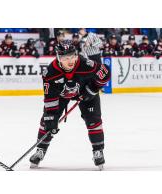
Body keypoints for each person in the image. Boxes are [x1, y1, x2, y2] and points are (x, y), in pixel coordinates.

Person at [29, 40, 110, 170]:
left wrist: (93, 89)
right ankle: (40, 150)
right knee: (47, 122)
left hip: (86, 94)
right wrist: (51, 117)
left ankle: (98, 151)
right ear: (58, 57)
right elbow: (50, 97)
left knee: (93, 121)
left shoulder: (85, 64)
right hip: (61, 96)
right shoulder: (50, 72)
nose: (70, 60)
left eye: (73, 56)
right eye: (66, 58)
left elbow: (105, 73)